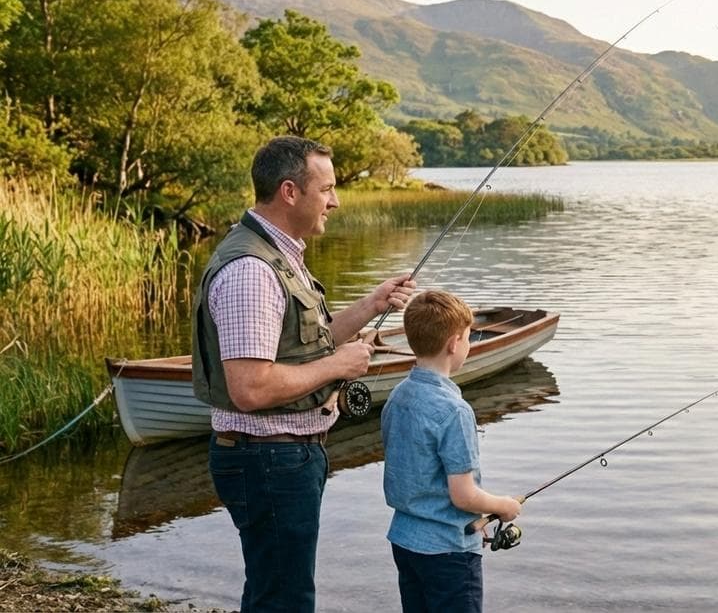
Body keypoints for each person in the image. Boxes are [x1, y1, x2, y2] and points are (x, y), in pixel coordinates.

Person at [192, 135, 416, 613]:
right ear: (290, 192)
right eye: (327, 188)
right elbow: (249, 388)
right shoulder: (252, 270)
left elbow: (299, 348)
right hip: (268, 460)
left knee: (275, 590)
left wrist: (371, 306)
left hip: (279, 459)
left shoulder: (277, 254)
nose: (335, 200)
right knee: (285, 599)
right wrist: (338, 366)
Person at [381, 290, 523, 613]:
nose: (469, 345)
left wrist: (477, 515)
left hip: (405, 542)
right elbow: (462, 495)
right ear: (454, 343)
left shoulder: (398, 397)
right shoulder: (455, 411)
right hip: (449, 552)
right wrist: (503, 506)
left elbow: (415, 472)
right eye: (469, 338)